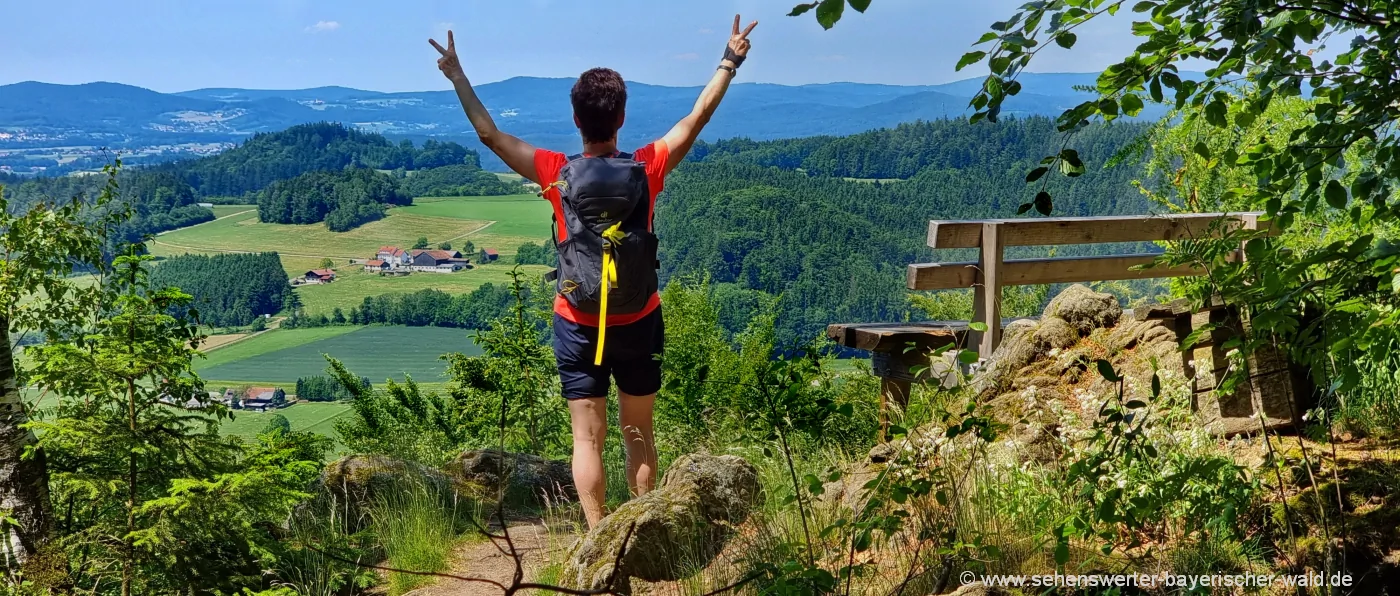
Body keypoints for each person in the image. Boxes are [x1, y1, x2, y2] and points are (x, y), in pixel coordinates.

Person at [430, 14, 757, 528]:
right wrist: (729, 60)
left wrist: (457, 75)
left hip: (577, 321)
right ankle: (642, 533)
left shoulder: (556, 172)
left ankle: (598, 536)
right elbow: (696, 118)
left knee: (587, 437)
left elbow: (489, 134)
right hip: (640, 316)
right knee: (640, 433)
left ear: (577, 120)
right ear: (621, 117)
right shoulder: (648, 166)